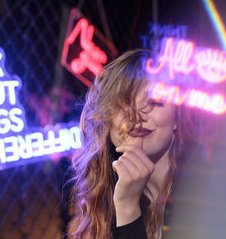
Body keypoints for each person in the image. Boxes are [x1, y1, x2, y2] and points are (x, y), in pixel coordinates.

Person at [69, 50, 199, 239]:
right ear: (106, 119)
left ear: (177, 118)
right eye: (124, 102)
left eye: (155, 101)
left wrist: (128, 209)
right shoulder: (101, 201)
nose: (138, 114)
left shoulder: (205, 193)